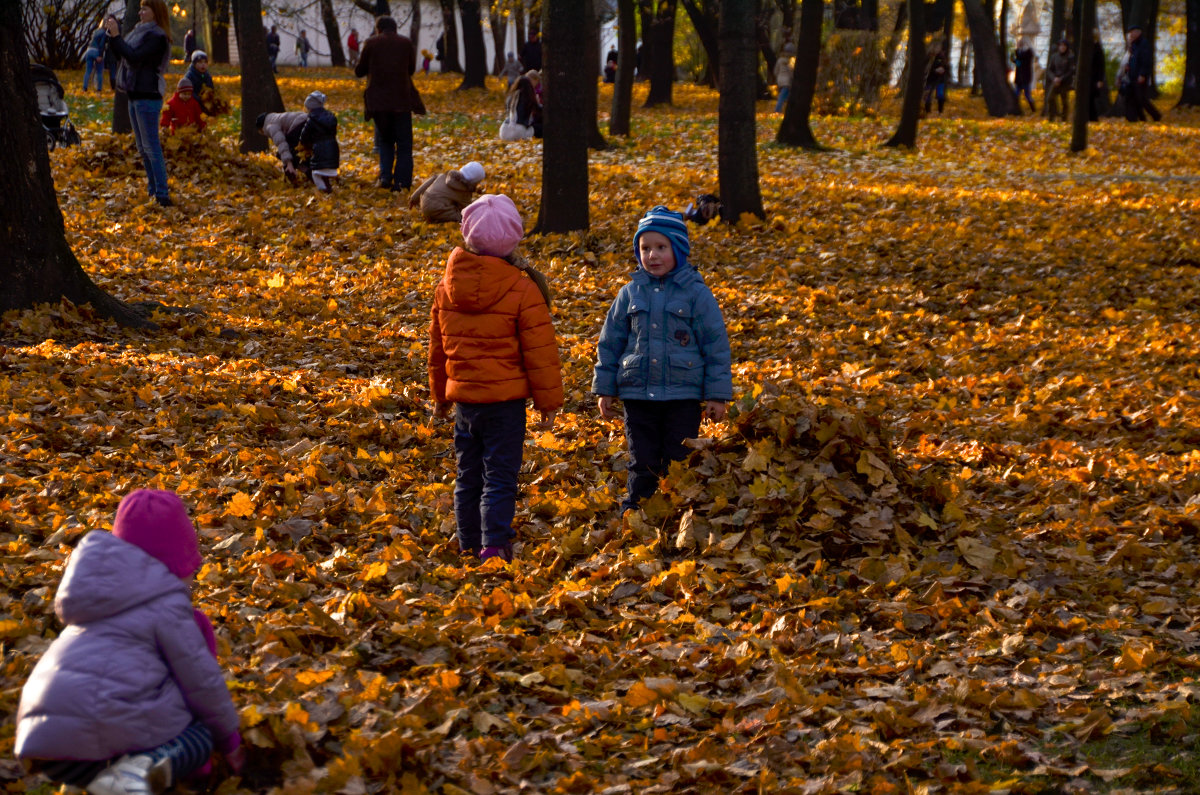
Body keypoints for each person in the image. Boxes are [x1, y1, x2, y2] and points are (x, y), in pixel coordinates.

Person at [14, 490, 244, 795]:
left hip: (44, 742)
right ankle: (134, 776)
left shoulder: (91, 600)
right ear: (181, 568)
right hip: (106, 738)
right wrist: (228, 744)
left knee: (116, 705)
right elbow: (203, 685)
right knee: (201, 734)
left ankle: (82, 784)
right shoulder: (169, 607)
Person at [429, 194, 563, 563]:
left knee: (468, 474)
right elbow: (540, 352)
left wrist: (440, 396)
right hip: (505, 405)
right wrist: (548, 402)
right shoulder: (522, 289)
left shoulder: (447, 287)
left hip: (466, 404)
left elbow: (438, 351)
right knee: (500, 476)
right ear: (513, 240)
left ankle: (468, 541)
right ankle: (493, 544)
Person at [592, 207, 734, 514]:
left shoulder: (696, 294)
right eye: (645, 248)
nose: (652, 255)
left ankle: (679, 509)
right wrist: (606, 388)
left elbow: (715, 345)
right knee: (641, 457)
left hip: (682, 395)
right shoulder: (630, 293)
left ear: (678, 250)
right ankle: (636, 509)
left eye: (661, 247)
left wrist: (717, 395)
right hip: (638, 394)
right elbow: (610, 343)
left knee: (678, 457)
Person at [106, 0, 173, 207]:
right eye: (141, 8)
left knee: (151, 147)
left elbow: (134, 57)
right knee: (143, 148)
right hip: (134, 93)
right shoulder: (138, 32)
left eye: (145, 9)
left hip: (148, 94)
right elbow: (123, 54)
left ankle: (162, 194)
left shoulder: (157, 37)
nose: (141, 12)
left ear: (156, 13)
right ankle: (153, 191)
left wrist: (118, 37)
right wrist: (113, 39)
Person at [355, 15, 417, 191]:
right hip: (402, 101)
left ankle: (385, 177)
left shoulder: (371, 43)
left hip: (379, 102)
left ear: (378, 29)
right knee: (404, 144)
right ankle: (402, 182)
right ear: (395, 28)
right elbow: (411, 70)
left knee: (385, 141)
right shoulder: (406, 43)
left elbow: (360, 71)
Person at [410, 161, 485, 223]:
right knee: (463, 218)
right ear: (474, 182)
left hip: (424, 202)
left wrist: (414, 198)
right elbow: (467, 209)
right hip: (437, 210)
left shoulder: (445, 175)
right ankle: (436, 219)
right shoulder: (464, 191)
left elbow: (426, 184)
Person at [298, 91, 340, 192]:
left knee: (315, 173)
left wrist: (303, 144)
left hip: (320, 149)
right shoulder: (331, 117)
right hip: (333, 148)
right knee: (324, 171)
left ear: (311, 108)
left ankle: (324, 190)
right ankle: (327, 187)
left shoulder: (311, 120)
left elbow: (304, 136)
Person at [256, 109, 308, 183]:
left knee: (285, 153)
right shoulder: (275, 118)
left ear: (261, 129)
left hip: (299, 126)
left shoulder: (270, 126)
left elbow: (281, 143)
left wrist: (288, 163)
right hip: (307, 120)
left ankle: (300, 173)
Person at [1124, 25, 1162, 122]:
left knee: (1141, 98)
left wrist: (1143, 74)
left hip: (1139, 75)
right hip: (1133, 75)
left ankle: (1156, 115)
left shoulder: (1143, 44)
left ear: (1138, 32)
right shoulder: (1134, 45)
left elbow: (1146, 60)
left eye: (1133, 32)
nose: (1131, 34)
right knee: (1134, 98)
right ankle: (1138, 118)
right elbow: (1131, 59)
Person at [185, 50, 228, 116]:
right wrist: (199, 99)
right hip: (194, 100)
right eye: (200, 62)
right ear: (194, 64)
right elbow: (189, 92)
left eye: (205, 62)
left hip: (205, 100)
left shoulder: (207, 75)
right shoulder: (190, 76)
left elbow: (211, 87)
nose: (203, 64)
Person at [505, 70, 542, 138]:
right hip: (519, 131)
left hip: (504, 130)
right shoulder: (529, 97)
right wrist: (537, 102)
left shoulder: (510, 97)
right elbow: (539, 112)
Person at [1045, 38, 1075, 121]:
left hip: (1065, 82)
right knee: (1050, 98)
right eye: (1061, 45)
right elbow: (1050, 69)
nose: (1062, 47)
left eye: (1064, 46)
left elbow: (1071, 71)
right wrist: (1054, 78)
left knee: (1064, 101)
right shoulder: (1054, 56)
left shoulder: (1070, 57)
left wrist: (1061, 79)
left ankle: (1064, 118)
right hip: (1055, 81)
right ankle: (1051, 117)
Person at [1088, 28, 1109, 120]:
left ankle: (1093, 118)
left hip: (1094, 78)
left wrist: (1100, 79)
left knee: (1091, 98)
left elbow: (1101, 65)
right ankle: (1091, 117)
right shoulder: (1087, 48)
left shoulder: (1097, 48)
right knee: (1089, 99)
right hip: (1088, 78)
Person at [923, 41, 948, 114]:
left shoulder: (942, 57)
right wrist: (934, 70)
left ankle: (940, 111)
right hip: (929, 79)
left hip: (940, 79)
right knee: (927, 95)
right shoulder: (928, 57)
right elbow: (926, 68)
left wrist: (943, 69)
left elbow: (946, 66)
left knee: (940, 94)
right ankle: (927, 110)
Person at [1011, 38, 1036, 112]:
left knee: (1027, 95)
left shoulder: (1028, 53)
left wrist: (1016, 61)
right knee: (1016, 94)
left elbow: (1022, 63)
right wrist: (1015, 60)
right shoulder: (1017, 52)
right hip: (1019, 78)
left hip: (1025, 77)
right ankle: (1016, 109)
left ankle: (1033, 108)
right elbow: (1017, 62)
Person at [83, 19, 107, 92]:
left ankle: (85, 87)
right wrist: (100, 55)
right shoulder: (104, 33)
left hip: (89, 50)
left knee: (88, 71)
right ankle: (99, 88)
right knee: (99, 71)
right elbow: (102, 44)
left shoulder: (96, 31)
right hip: (97, 51)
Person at [774, 42, 795, 113]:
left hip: (780, 80)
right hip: (787, 81)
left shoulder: (779, 61)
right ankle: (777, 110)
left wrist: (777, 77)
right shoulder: (790, 62)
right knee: (782, 97)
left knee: (785, 96)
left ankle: (786, 110)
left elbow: (775, 71)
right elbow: (791, 73)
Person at [102, 14, 120, 90]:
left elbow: (104, 42)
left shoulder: (109, 30)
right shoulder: (119, 27)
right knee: (116, 70)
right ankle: (116, 85)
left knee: (113, 70)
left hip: (112, 53)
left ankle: (114, 86)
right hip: (118, 52)